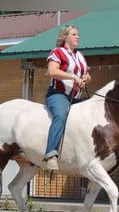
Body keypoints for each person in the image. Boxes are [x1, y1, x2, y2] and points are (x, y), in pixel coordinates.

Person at [44, 24, 92, 170]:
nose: (77, 36)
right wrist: (73, 77)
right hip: (58, 94)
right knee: (60, 116)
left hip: (76, 98)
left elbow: (88, 75)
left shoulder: (80, 55)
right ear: (65, 37)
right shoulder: (57, 52)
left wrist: (85, 78)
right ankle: (50, 154)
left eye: (78, 34)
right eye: (74, 34)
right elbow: (52, 71)